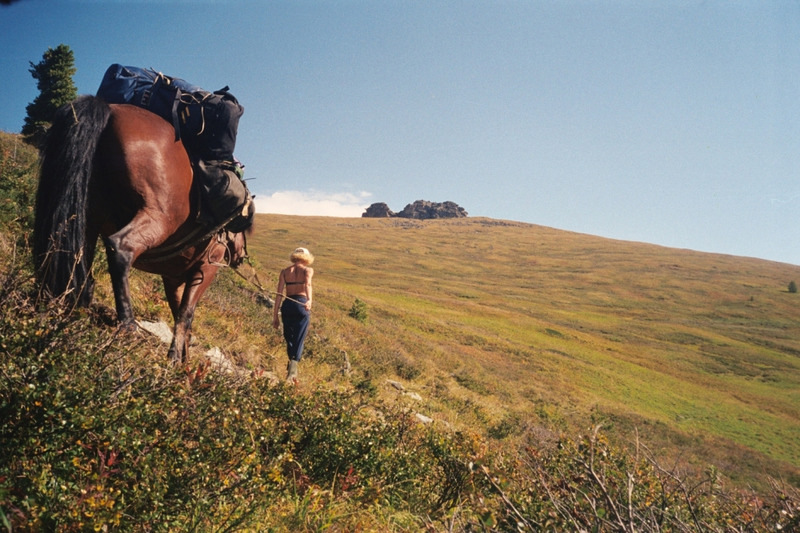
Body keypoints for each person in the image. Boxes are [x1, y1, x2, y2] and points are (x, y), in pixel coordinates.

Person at [272, 247, 314, 382]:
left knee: (289, 336)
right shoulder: (308, 270)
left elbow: (279, 294)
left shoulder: (285, 272)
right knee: (299, 337)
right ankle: (293, 371)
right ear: (307, 258)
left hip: (287, 305)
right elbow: (307, 285)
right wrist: (309, 301)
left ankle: (291, 365)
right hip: (301, 304)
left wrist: (275, 315)